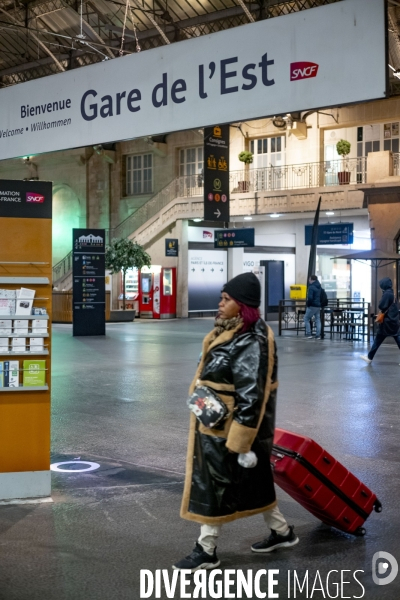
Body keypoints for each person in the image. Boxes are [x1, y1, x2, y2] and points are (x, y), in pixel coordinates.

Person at [173, 272, 298, 572]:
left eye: (226, 299)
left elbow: (252, 394)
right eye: (221, 298)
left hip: (228, 428)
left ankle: (206, 549)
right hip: (216, 421)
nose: (220, 304)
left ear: (242, 306)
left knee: (214, 486)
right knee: (253, 483)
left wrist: (238, 442)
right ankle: (282, 533)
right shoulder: (230, 330)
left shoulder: (251, 340)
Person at [360, 277, 400, 364]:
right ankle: (369, 357)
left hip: (387, 322)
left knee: (378, 340)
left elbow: (381, 306)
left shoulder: (387, 294)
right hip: (393, 321)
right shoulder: (392, 293)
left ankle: (369, 357)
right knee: (396, 338)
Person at [304, 275, 322, 339]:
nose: (309, 280)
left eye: (309, 279)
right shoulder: (319, 286)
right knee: (317, 319)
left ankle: (309, 334)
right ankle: (318, 335)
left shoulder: (311, 287)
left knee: (306, 318)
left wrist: (308, 304)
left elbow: (310, 298)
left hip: (312, 305)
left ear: (311, 279)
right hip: (318, 305)